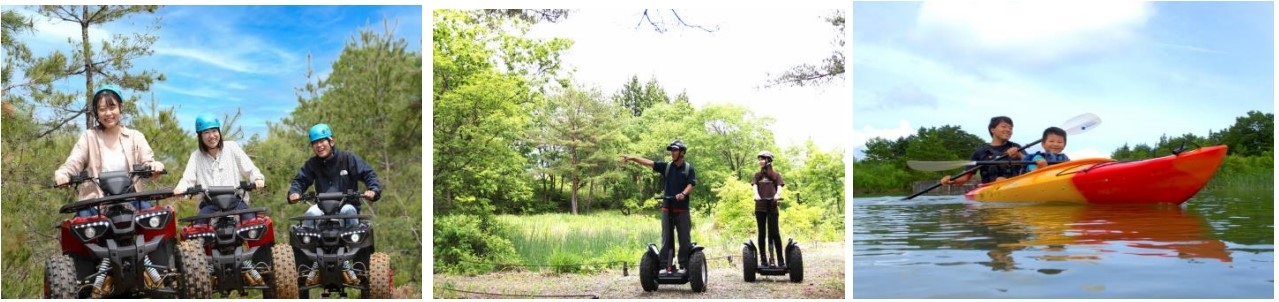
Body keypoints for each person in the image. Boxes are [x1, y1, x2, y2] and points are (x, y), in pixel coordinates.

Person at [54, 84, 165, 217]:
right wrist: (63, 174)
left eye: (112, 107)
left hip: (132, 200)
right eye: (102, 109)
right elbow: (74, 162)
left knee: (154, 219)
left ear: (120, 108)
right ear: (96, 112)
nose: (108, 113)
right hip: (95, 203)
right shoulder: (89, 137)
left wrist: (154, 166)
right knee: (78, 228)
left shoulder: (135, 136)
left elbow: (147, 161)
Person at [172, 113, 266, 224]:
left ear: (219, 132)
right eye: (206, 132)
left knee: (253, 225)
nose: (212, 136)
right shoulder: (195, 156)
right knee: (197, 231)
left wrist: (257, 179)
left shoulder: (232, 147)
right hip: (209, 204)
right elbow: (187, 179)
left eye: (214, 131)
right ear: (200, 136)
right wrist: (181, 189)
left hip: (235, 201)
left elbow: (250, 169)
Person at [621, 140, 697, 275]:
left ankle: (684, 266)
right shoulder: (667, 167)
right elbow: (649, 163)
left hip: (682, 210)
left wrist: (683, 194)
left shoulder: (688, 168)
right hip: (667, 208)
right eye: (671, 150)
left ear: (682, 152)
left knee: (684, 239)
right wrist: (633, 158)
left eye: (675, 150)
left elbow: (691, 184)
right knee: (666, 238)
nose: (672, 153)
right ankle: (665, 266)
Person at [287, 123, 382, 227]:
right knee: (310, 216)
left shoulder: (347, 158)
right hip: (322, 208)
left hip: (347, 205)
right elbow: (300, 181)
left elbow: (368, 174)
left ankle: (351, 242)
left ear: (331, 142)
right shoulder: (312, 164)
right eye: (315, 143)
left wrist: (373, 190)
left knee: (348, 212)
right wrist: (294, 192)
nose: (319, 145)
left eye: (322, 141)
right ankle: (307, 243)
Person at [941, 116, 1027, 185]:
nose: (1008, 130)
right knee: (999, 180)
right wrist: (952, 180)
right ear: (992, 129)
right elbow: (965, 177)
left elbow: (1033, 165)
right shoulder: (980, 152)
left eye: (1010, 128)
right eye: (1004, 126)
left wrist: (1019, 155)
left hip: (1015, 185)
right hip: (989, 189)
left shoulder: (1016, 147)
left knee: (1000, 180)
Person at [752, 150, 785, 268]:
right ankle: (763, 259)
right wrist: (756, 195)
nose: (760, 161)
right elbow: (755, 187)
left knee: (775, 232)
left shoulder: (776, 175)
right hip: (760, 206)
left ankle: (780, 259)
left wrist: (777, 195)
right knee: (762, 233)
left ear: (768, 160)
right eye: (759, 159)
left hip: (772, 205)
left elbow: (779, 187)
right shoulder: (757, 175)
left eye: (762, 159)